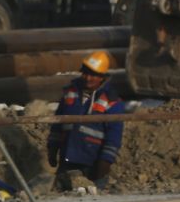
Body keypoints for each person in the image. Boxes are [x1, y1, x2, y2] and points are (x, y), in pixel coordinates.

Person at [47, 50, 126, 191]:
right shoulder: (71, 92)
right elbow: (58, 123)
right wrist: (52, 148)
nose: (88, 78)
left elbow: (114, 136)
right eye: (85, 73)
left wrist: (105, 162)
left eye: (93, 75)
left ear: (102, 77)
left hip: (92, 163)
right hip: (67, 158)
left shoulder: (111, 100)